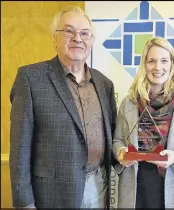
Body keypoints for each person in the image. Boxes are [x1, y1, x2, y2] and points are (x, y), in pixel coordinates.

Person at [9, 6, 117, 209]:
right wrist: (24, 203)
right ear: (54, 39)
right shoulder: (30, 79)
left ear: (91, 41)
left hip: (99, 185)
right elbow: (19, 148)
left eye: (85, 33)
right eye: (69, 31)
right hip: (52, 194)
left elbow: (112, 135)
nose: (78, 38)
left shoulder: (104, 84)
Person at [112, 36, 174, 208]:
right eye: (151, 61)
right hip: (136, 186)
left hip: (173, 185)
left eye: (164, 60)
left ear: (172, 65)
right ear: (144, 65)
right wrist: (121, 152)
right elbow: (117, 141)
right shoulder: (129, 102)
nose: (158, 67)